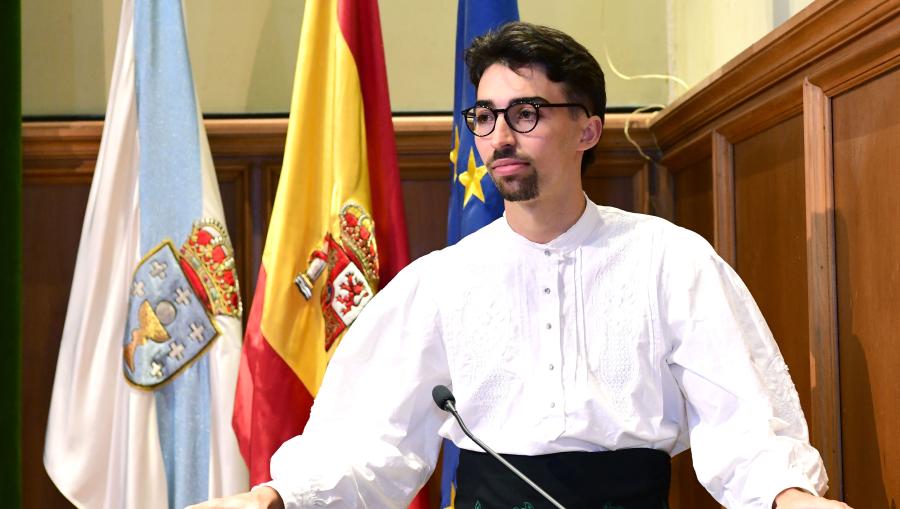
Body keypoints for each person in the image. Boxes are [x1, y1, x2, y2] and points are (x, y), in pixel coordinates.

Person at [191, 22, 853, 509]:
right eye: (485, 116)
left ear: (588, 128)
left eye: (526, 113)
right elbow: (374, 441)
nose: (500, 136)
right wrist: (272, 495)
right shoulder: (441, 281)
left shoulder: (670, 261)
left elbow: (740, 420)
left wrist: (792, 496)